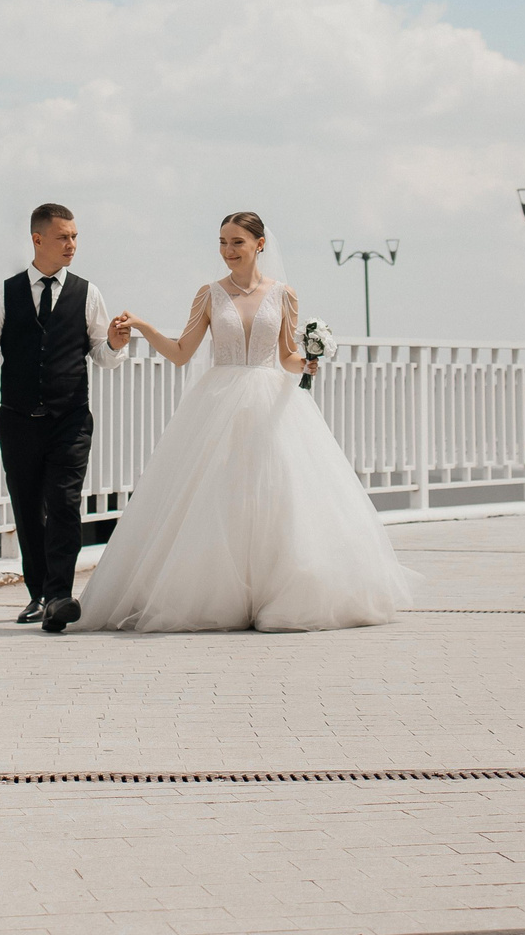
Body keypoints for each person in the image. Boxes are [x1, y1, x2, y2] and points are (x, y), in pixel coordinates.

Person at [84, 212, 408, 632]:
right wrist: (144, 326)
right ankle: (219, 595)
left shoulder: (284, 295)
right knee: (219, 495)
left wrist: (307, 363)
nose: (228, 251)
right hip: (218, 404)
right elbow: (182, 352)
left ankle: (277, 593)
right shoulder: (209, 294)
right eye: (222, 242)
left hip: (273, 404)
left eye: (237, 242)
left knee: (277, 493)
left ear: (259, 244)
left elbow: (286, 355)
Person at [0, 203, 133, 632]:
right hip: (18, 419)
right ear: (37, 240)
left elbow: (102, 356)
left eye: (74, 237)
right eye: (63, 237)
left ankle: (59, 596)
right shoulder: (4, 293)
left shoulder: (88, 293)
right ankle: (38, 594)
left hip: (69, 419)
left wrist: (114, 344)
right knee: (27, 508)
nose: (72, 244)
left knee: (64, 503)